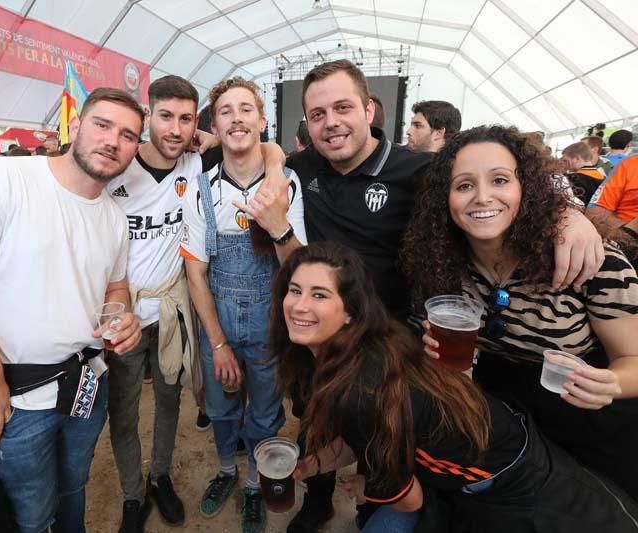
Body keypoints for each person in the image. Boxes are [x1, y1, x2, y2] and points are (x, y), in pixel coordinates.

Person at [253, 59, 606, 533]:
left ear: (369, 109)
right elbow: (265, 149)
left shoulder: (417, 171)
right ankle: (316, 503)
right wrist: (276, 164)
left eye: (342, 108)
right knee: (319, 416)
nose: (331, 122)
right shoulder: (306, 166)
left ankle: (376, 505)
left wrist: (567, 215)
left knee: (384, 438)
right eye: (317, 114)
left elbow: (487, 195)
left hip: (395, 346)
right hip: (323, 328)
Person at [271, 241, 638, 533]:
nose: (299, 306)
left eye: (319, 295)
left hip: (511, 483)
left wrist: (367, 489)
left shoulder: (361, 390)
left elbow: (409, 501)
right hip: (493, 445)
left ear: (350, 311)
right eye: (294, 290)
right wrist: (312, 465)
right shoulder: (356, 350)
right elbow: (362, 437)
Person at [0, 87, 144, 532]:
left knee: (73, 488)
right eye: (103, 125)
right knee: (29, 512)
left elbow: (115, 286)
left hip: (88, 384)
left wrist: (122, 317)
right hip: (18, 398)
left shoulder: (115, 216)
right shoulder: (5, 179)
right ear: (77, 126)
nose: (112, 141)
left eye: (127, 135)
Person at [402, 125, 638, 500]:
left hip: (587, 426)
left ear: (526, 187)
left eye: (499, 180)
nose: (482, 197)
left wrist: (612, 383)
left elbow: (633, 359)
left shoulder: (588, 258)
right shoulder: (442, 263)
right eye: (464, 185)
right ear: (444, 198)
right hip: (507, 428)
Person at [181, 77, 306, 533]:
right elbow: (196, 274)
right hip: (220, 322)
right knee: (220, 407)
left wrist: (276, 225)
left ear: (262, 120)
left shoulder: (286, 181)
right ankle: (227, 470)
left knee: (267, 411)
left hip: (271, 324)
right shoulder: (201, 187)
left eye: (246, 109)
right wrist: (217, 345)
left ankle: (255, 481)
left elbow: (297, 268)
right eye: (227, 111)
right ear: (215, 124)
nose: (237, 118)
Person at [103, 75, 222, 533]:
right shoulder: (115, 169)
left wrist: (207, 138)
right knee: (125, 410)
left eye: (186, 119)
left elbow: (266, 150)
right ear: (148, 115)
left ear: (196, 123)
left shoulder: (194, 164)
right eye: (165, 116)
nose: (175, 129)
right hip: (125, 315)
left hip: (172, 310)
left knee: (170, 398)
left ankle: (161, 477)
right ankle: (133, 495)